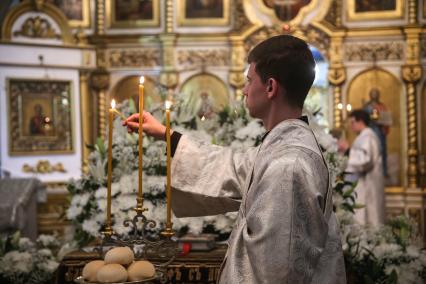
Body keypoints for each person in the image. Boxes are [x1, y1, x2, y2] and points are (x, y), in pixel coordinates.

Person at [124, 35, 346, 283]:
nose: (244, 89)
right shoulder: (284, 148)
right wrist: (167, 135)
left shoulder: (288, 166)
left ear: (270, 87)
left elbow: (280, 273)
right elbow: (233, 166)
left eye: (249, 80)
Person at [339, 109, 385, 226]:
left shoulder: (368, 137)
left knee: (368, 219)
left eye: (353, 122)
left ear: (361, 121)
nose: (351, 126)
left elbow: (365, 160)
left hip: (368, 185)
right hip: (363, 183)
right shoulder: (363, 137)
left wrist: (348, 150)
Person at [363, 88, 392, 177]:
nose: (374, 95)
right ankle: (370, 171)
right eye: (373, 93)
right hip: (371, 129)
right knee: (370, 150)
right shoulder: (367, 106)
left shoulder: (382, 106)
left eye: (376, 93)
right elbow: (364, 118)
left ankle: (383, 171)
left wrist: (383, 120)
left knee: (381, 150)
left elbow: (386, 117)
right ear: (370, 95)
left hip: (380, 131)